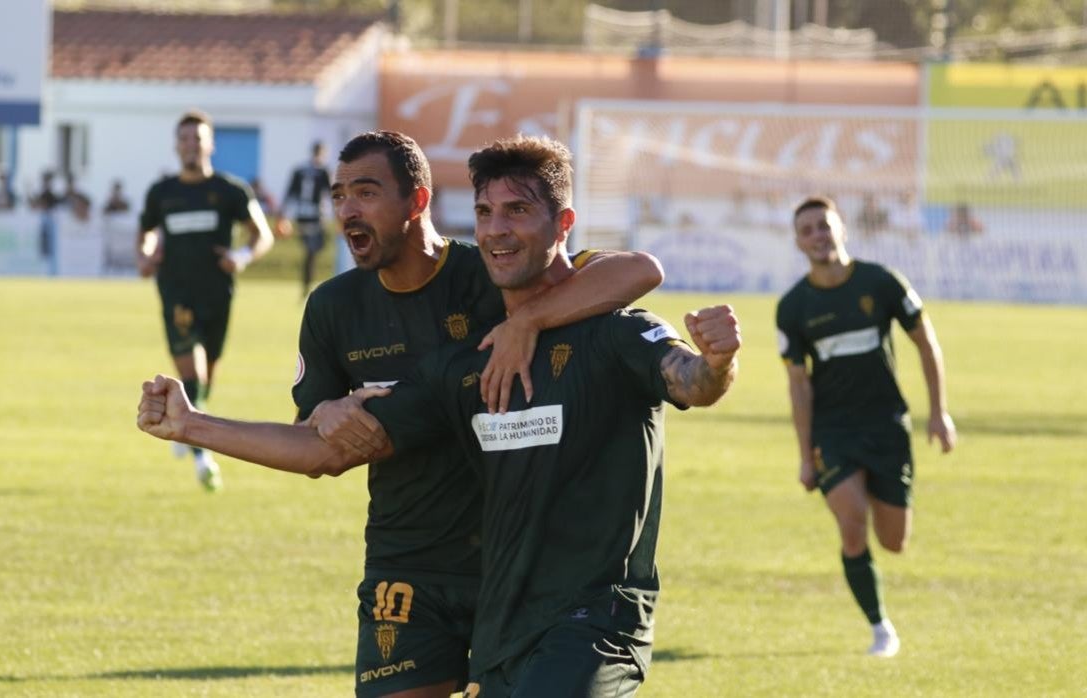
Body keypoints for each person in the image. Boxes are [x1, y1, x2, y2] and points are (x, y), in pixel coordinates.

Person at [137, 135, 741, 696]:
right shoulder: (430, 357)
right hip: (430, 571)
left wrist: (709, 363)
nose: (498, 232)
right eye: (486, 214)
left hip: (555, 592)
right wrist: (193, 425)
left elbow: (658, 309)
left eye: (366, 193)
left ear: (417, 201)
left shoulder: (548, 299)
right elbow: (327, 450)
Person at [775, 196, 957, 658]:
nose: (818, 235)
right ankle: (881, 629)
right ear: (798, 242)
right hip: (833, 433)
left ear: (842, 229)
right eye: (808, 230)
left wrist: (938, 412)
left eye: (824, 226)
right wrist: (804, 455)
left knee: (893, 542)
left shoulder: (881, 282)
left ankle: (876, 492)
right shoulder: (793, 306)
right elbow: (799, 385)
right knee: (852, 525)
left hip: (887, 427)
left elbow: (925, 342)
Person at [136, 109, 275, 490]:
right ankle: (203, 457)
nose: (190, 146)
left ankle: (188, 427)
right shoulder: (161, 192)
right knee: (192, 373)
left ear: (210, 144)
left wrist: (241, 257)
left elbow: (261, 234)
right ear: (175, 145)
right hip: (176, 293)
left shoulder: (230, 190)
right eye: (184, 139)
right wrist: (146, 257)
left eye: (197, 139)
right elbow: (146, 232)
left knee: (206, 377)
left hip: (218, 295)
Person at [279, 140, 332, 298]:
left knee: (311, 253)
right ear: (323, 153)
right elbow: (331, 194)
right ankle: (307, 287)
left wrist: (283, 215)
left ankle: (306, 286)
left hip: (301, 216)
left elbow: (289, 194)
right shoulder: (324, 171)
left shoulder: (299, 170)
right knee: (312, 253)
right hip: (316, 217)